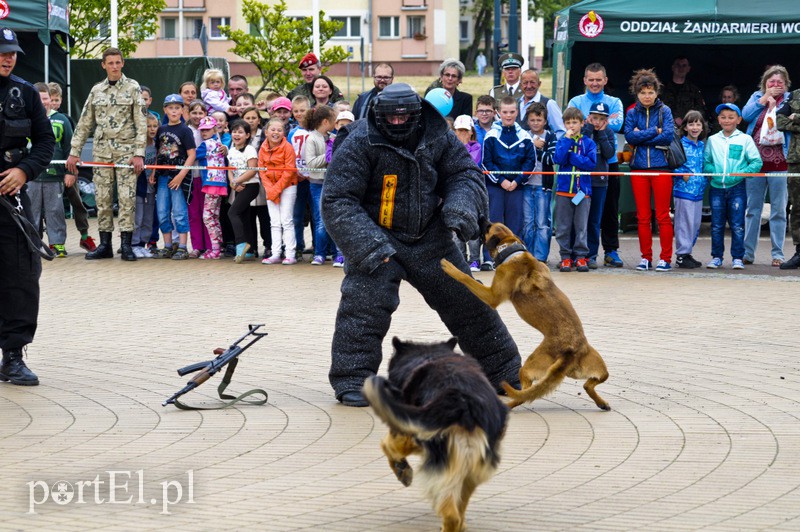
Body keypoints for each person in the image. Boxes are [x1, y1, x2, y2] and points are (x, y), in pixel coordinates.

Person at [322, 82, 522, 406]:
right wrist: (369, 245)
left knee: (468, 302)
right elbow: (337, 199)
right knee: (363, 308)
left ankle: (505, 373)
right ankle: (353, 380)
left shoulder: (437, 133)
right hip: (377, 238)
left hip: (430, 236)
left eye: (405, 118)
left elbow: (465, 175)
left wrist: (459, 208)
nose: (398, 123)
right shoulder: (360, 140)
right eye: (392, 118)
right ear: (378, 114)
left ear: (416, 113)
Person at [0, 27, 56, 386]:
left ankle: (13, 357)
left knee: (21, 276)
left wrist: (24, 170)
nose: (9, 58)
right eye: (2, 52)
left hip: (10, 200)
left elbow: (45, 141)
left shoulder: (25, 92)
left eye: (13, 52)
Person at [66, 47, 147, 262]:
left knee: (127, 198)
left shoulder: (133, 87)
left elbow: (141, 122)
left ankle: (127, 245)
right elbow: (84, 123)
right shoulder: (96, 90)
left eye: (117, 62)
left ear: (122, 63)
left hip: (126, 152)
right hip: (101, 153)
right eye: (110, 63)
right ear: (103, 65)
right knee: (102, 198)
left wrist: (139, 153)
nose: (114, 66)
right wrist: (74, 152)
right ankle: (104, 245)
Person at [567, 63, 625, 268]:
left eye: (598, 79)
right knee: (578, 208)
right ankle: (576, 252)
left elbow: (617, 125)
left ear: (605, 80)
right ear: (584, 80)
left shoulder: (614, 101)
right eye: (590, 79)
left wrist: (588, 122)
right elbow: (571, 126)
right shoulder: (576, 101)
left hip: (608, 163)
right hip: (582, 165)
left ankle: (611, 251)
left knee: (609, 209)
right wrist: (599, 122)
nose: (594, 83)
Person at [624, 69, 675, 272]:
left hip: (661, 168)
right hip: (638, 169)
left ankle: (666, 258)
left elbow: (668, 136)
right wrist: (654, 130)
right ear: (637, 93)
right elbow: (630, 137)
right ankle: (646, 257)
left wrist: (642, 136)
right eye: (643, 92)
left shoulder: (665, 111)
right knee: (643, 216)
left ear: (656, 92)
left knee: (663, 215)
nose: (647, 96)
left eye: (650, 92)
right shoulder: (631, 112)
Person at [741, 65, 791, 266]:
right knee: (753, 209)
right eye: (772, 82)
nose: (775, 85)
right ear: (765, 83)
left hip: (781, 163)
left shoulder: (790, 99)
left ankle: (778, 254)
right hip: (756, 163)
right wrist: (764, 100)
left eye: (779, 82)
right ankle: (748, 253)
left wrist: (775, 108)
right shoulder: (756, 96)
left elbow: (788, 121)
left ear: (786, 84)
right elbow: (745, 116)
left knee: (779, 209)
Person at [704, 103, 762, 270]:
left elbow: (756, 162)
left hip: (737, 188)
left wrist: (740, 173)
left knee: (737, 225)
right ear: (718, 119)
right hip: (716, 188)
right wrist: (713, 171)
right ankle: (716, 257)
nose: (727, 120)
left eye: (731, 117)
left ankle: (737, 257)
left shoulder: (745, 139)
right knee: (716, 225)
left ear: (739, 120)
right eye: (723, 117)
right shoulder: (713, 140)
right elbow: (706, 163)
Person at [47, 82, 97, 252]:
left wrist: (71, 171)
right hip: (47, 174)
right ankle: (52, 242)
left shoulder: (65, 119)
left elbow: (73, 146)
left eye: (56, 100)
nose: (54, 103)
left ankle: (84, 237)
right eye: (51, 99)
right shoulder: (38, 119)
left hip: (67, 169)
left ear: (61, 100)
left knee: (77, 203)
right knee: (51, 208)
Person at [481, 96, 537, 242]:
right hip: (496, 186)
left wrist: (517, 181)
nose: (508, 115)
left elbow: (530, 162)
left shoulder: (524, 136)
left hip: (516, 187)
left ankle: (514, 256)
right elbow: (487, 162)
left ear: (517, 112)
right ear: (498, 112)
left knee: (515, 224)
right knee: (495, 223)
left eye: (512, 112)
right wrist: (501, 180)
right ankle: (490, 258)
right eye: (505, 112)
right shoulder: (491, 136)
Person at [149, 94, 196, 260]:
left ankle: (182, 246)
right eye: (171, 108)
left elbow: (191, 155)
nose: (174, 111)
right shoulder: (161, 130)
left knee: (179, 212)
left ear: (183, 110)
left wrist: (182, 175)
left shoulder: (185, 130)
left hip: (178, 178)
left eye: (177, 108)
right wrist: (154, 171)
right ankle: (168, 245)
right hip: (162, 176)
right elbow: (158, 152)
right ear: (165, 110)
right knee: (162, 212)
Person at [27, 83, 71, 258]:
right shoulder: (26, 119)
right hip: (31, 177)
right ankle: (33, 243)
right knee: (32, 211)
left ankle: (57, 244)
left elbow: (69, 148)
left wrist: (71, 172)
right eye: (39, 99)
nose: (43, 102)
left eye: (45, 98)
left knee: (55, 210)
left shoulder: (62, 120)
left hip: (55, 176)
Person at [553, 107, 597, 272]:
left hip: (582, 193)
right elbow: (558, 158)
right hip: (564, 191)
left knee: (581, 227)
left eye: (575, 122)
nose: (572, 126)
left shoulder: (589, 143)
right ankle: (565, 257)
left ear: (582, 123)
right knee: (563, 227)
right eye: (568, 122)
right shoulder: (562, 140)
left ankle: (580, 257)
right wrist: (567, 141)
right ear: (564, 124)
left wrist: (572, 157)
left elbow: (590, 164)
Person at [303, 105, 341, 267]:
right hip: (317, 185)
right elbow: (310, 163)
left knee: (334, 219)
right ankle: (319, 253)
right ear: (326, 121)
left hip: (332, 183)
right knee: (320, 221)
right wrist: (327, 155)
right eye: (334, 121)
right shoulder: (311, 138)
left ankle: (336, 252)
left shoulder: (333, 136)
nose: (335, 124)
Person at [259, 118, 298, 265]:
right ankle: (276, 253)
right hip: (270, 187)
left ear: (284, 132)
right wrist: (270, 188)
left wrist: (276, 189)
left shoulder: (288, 147)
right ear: (266, 132)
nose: (276, 132)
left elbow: (289, 172)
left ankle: (290, 254)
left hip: (288, 186)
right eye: (273, 129)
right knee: (274, 222)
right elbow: (261, 170)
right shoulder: (262, 148)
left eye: (279, 130)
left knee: (286, 220)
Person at [582, 102, 616, 269]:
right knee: (580, 218)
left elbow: (609, 154)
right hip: (582, 184)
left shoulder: (608, 132)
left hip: (600, 183)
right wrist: (588, 129)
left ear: (606, 120)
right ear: (588, 117)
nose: (597, 122)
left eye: (601, 119)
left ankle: (591, 255)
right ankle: (578, 253)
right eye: (594, 118)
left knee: (595, 220)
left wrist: (602, 134)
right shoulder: (584, 131)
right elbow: (581, 148)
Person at [672, 111, 708, 269]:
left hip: (698, 192)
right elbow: (671, 166)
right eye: (691, 124)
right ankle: (681, 254)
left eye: (698, 124)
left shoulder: (702, 145)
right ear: (685, 127)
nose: (695, 127)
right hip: (683, 191)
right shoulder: (679, 144)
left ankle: (687, 253)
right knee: (683, 224)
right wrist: (681, 175)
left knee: (694, 224)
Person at [521, 103, 556, 263]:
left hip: (543, 186)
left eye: (539, 119)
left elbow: (552, 158)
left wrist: (537, 150)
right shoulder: (523, 135)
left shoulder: (550, 136)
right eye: (532, 120)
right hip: (526, 185)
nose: (535, 123)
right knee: (528, 222)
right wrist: (531, 145)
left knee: (542, 223)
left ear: (545, 120)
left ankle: (540, 257)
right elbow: (520, 157)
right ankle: (528, 255)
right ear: (527, 121)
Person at [227, 119, 260, 263]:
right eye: (234, 131)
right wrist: (233, 183)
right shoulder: (231, 149)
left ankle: (240, 244)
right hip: (238, 185)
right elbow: (230, 169)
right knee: (244, 216)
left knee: (232, 212)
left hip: (251, 186)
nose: (236, 134)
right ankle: (250, 251)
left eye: (240, 132)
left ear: (247, 135)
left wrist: (237, 181)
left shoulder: (250, 149)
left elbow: (252, 170)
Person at [195, 116, 228, 260]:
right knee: (214, 217)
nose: (204, 133)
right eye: (202, 130)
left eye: (207, 130)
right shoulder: (219, 142)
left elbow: (193, 155)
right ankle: (218, 248)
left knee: (208, 217)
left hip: (211, 183)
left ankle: (215, 249)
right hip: (220, 183)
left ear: (214, 129)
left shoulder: (206, 144)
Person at [453, 114, 482, 271]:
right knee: (456, 226)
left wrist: (463, 145)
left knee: (472, 226)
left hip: (472, 192)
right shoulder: (450, 147)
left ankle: (475, 259)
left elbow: (470, 163)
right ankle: (461, 258)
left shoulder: (476, 146)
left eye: (465, 130)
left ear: (471, 131)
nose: (462, 134)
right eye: (459, 130)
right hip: (454, 191)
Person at [776, 86, 800, 269]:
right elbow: (780, 121)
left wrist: (796, 117)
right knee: (797, 207)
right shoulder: (794, 95)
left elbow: (789, 120)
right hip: (796, 159)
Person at [132, 114, 159, 258]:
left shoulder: (157, 145)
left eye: (155, 126)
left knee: (149, 217)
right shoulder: (139, 146)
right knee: (138, 216)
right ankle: (134, 244)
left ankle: (143, 243)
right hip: (139, 186)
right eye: (149, 126)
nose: (152, 129)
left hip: (152, 187)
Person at [517, 69, 564, 138]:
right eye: (525, 83)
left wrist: (548, 143)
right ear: (520, 85)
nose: (529, 86)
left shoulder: (549, 104)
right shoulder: (515, 104)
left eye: (532, 82)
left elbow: (561, 131)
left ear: (539, 84)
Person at [660, 56, 706, 126]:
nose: (681, 68)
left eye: (684, 66)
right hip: (667, 126)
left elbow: (700, 110)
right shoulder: (663, 89)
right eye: (678, 65)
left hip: (690, 127)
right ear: (673, 67)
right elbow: (660, 107)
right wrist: (675, 118)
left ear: (688, 69)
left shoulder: (694, 90)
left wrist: (690, 121)